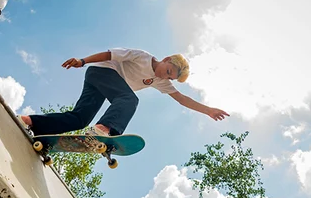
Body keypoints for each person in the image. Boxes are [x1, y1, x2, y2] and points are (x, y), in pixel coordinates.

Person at [19, 48, 229, 139]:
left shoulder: (160, 81)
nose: (166, 78)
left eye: (170, 78)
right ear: (165, 60)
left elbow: (182, 99)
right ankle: (103, 129)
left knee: (80, 119)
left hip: (102, 84)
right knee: (129, 99)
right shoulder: (141, 56)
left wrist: (208, 110)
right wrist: (82, 61)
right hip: (101, 71)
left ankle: (28, 122)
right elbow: (109, 54)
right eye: (167, 72)